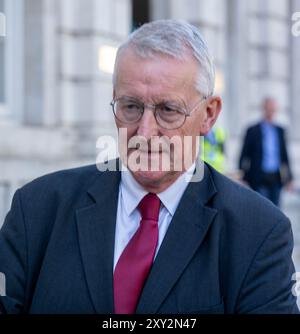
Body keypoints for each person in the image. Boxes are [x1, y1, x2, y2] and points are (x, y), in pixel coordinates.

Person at [0, 20, 298, 314]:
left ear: (208, 115)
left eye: (168, 111)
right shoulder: (37, 210)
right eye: (130, 107)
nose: (144, 132)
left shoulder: (258, 232)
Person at [239, 97, 293, 206]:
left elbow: (284, 156)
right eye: (269, 109)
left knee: (276, 211)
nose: (271, 112)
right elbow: (244, 154)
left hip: (276, 178)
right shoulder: (253, 130)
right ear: (264, 109)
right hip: (258, 178)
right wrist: (242, 176)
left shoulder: (280, 130)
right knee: (262, 208)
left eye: (273, 109)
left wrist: (289, 178)